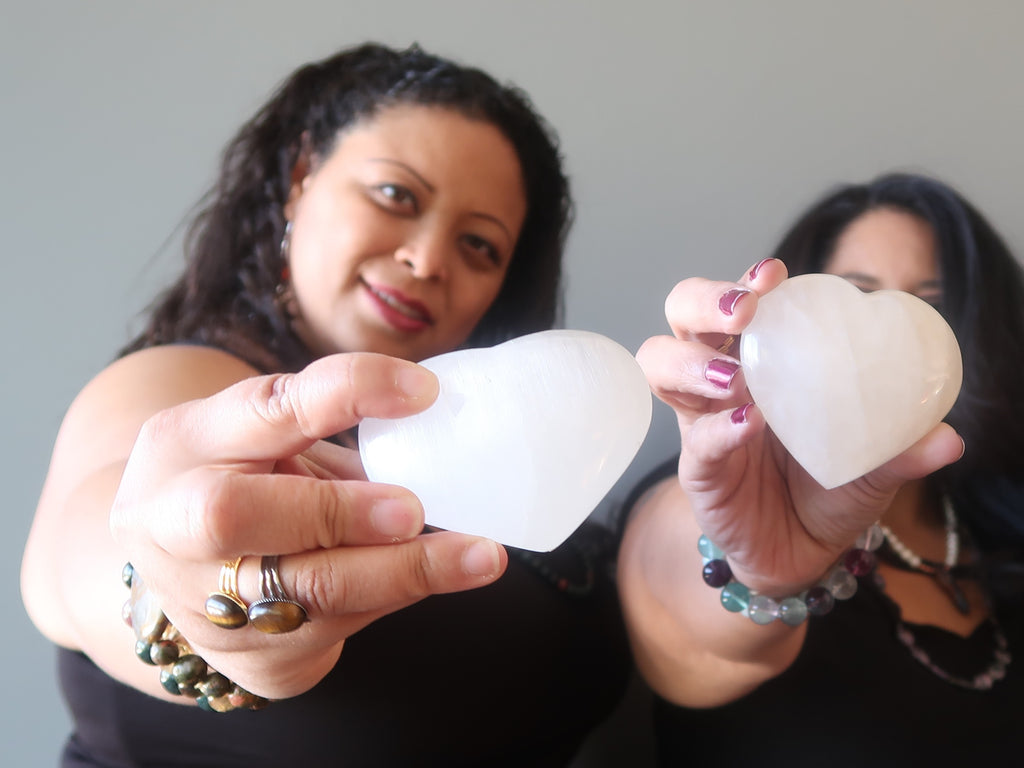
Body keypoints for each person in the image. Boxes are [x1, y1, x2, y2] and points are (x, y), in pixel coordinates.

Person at [21, 43, 630, 767]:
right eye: (397, 196)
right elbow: (90, 547)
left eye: (478, 245)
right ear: (302, 178)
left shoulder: (524, 465)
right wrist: (188, 599)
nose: (429, 258)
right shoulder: (183, 383)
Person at [617, 172, 1024, 765]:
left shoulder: (1001, 524)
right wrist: (758, 573)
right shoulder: (725, 484)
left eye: (931, 305)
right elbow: (685, 629)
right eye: (856, 296)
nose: (883, 347)